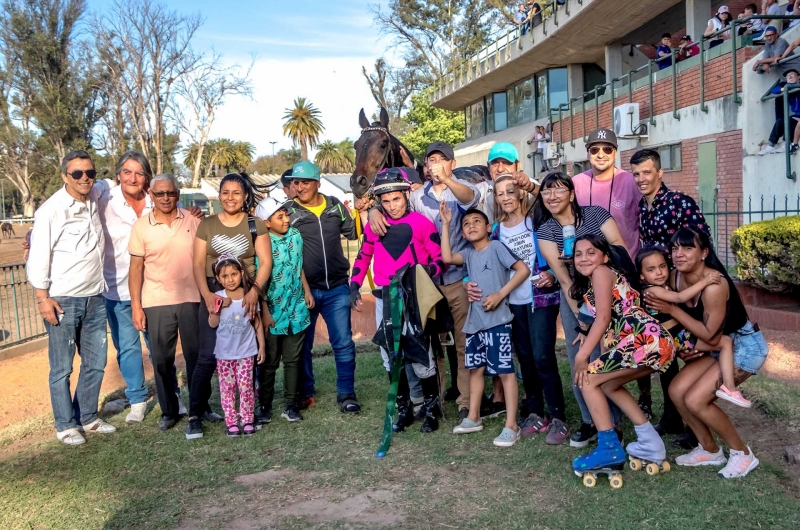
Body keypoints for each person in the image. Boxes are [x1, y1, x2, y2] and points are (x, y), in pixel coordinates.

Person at [645, 227, 769, 478]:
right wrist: (685, 348)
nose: (678, 254)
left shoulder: (714, 285)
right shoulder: (674, 277)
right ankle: (710, 450)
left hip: (742, 346)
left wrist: (673, 310)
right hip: (714, 345)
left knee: (696, 400)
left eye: (687, 248)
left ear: (703, 253)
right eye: (675, 248)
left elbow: (710, 334)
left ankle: (742, 454)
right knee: (677, 391)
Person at [27, 150, 115, 445]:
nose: (84, 178)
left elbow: (117, 183)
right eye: (77, 173)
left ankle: (87, 417)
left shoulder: (96, 194)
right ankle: (65, 424)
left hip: (95, 296)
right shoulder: (50, 211)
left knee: (96, 362)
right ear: (65, 175)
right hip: (63, 298)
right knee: (62, 367)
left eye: (89, 172)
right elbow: (39, 256)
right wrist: (42, 297)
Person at [569, 235, 675, 477]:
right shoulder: (599, 280)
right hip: (648, 342)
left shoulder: (602, 273)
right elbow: (610, 327)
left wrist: (581, 357)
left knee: (586, 378)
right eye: (578, 254)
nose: (584, 258)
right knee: (607, 385)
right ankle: (651, 443)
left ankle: (608, 449)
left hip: (644, 340)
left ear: (605, 257)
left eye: (591, 252)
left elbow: (604, 317)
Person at [350, 169, 446, 433]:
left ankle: (430, 409)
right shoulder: (375, 224)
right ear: (380, 201)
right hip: (385, 297)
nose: (392, 206)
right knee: (390, 354)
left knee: (420, 353)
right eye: (387, 201)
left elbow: (440, 260)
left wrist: (424, 272)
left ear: (406, 195)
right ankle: (404, 408)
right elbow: (363, 256)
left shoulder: (422, 223)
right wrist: (354, 284)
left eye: (397, 199)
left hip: (414, 298)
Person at [534, 172, 625, 447]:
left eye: (559, 190)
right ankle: (589, 421)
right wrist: (583, 324)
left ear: (572, 194)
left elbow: (619, 250)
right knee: (580, 358)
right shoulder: (546, 231)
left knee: (607, 359)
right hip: (574, 296)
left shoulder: (596, 215)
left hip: (609, 290)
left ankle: (613, 423)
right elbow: (563, 279)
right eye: (546, 192)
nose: (552, 196)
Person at [98, 151, 188, 425]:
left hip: (155, 289)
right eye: (127, 172)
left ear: (147, 177)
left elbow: (181, 220)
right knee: (127, 347)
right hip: (118, 289)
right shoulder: (104, 198)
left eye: (139, 173)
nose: (133, 178)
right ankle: (137, 399)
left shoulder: (158, 198)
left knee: (160, 349)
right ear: (118, 175)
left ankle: (172, 396)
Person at [631, 148, 712, 439]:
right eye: (636, 174)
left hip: (686, 291)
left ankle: (695, 423)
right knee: (666, 355)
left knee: (692, 354)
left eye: (647, 172)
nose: (641, 179)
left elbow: (702, 242)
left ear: (660, 172)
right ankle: (672, 417)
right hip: (660, 293)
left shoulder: (679, 203)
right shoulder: (643, 208)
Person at [192, 172, 273, 439]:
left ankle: (250, 412)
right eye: (225, 192)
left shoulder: (255, 224)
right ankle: (196, 413)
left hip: (247, 292)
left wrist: (254, 292)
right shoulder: (208, 224)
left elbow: (265, 261)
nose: (230, 198)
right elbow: (197, 262)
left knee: (248, 351)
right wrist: (207, 296)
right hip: (215, 292)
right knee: (207, 356)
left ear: (245, 195)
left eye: (236, 193)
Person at [441, 205, 530, 447]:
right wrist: (447, 224)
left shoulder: (497, 247)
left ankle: (511, 425)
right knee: (475, 370)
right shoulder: (468, 255)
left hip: (498, 321)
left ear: (489, 228)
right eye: (466, 223)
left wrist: (500, 295)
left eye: (476, 221)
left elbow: (523, 269)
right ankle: (473, 416)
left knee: (505, 371)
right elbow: (447, 258)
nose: (471, 225)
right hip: (475, 324)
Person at [490, 175, 568, 444]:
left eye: (510, 191)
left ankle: (559, 416)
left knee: (543, 356)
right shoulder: (497, 231)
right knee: (524, 358)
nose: (506, 197)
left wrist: (554, 277)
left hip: (541, 298)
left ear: (521, 193)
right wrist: (469, 282)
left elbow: (559, 252)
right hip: (513, 303)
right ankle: (535, 412)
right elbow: (487, 261)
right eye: (500, 194)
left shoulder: (537, 222)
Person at [129, 173, 202, 432]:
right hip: (156, 300)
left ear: (178, 194)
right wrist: (136, 306)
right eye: (159, 193)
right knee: (161, 359)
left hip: (192, 298)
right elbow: (135, 269)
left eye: (170, 193)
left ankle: (199, 408)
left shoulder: (193, 220)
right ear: (151, 195)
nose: (165, 198)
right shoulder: (141, 226)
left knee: (197, 356)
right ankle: (169, 411)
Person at [287, 161, 361, 414]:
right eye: (296, 182)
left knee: (342, 343)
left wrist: (363, 211)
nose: (300, 187)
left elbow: (352, 233)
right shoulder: (287, 212)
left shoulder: (334, 206)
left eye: (305, 182)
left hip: (337, 288)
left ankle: (346, 394)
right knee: (303, 346)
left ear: (317, 183)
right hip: (302, 292)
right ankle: (306, 393)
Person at [636, 246, 750, 408]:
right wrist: (705, 281)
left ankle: (726, 386)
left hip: (677, 335)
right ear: (641, 275)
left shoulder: (661, 286)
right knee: (725, 342)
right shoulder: (652, 290)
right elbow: (680, 297)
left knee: (723, 343)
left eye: (662, 266)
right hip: (676, 337)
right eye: (651, 269)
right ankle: (729, 387)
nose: (659, 272)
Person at [254, 196, 313, 424]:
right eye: (279, 216)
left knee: (293, 360)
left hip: (296, 308)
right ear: (267, 223)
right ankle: (265, 406)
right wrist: (265, 311)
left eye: (286, 215)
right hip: (273, 310)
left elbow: (299, 267)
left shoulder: (296, 237)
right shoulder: (262, 241)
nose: (286, 219)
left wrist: (306, 291)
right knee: (269, 362)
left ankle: (290, 404)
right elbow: (260, 280)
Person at [208, 255, 265, 437]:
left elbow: (256, 323)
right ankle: (231, 422)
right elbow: (212, 323)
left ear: (241, 273)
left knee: (246, 386)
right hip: (224, 354)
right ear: (218, 279)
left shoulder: (249, 296)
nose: (230, 279)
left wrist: (261, 346)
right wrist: (218, 307)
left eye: (234, 274)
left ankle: (247, 419)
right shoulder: (218, 297)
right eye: (225, 276)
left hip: (246, 352)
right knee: (227, 388)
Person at [574, 129, 641, 259]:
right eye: (594, 150)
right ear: (588, 154)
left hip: (627, 265)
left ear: (615, 153)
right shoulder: (576, 183)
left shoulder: (631, 181)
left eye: (607, 149)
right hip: (587, 267)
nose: (600, 155)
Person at [759, 69, 800, 155]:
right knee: (780, 121)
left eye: (792, 74)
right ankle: (771, 145)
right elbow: (774, 90)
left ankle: (788, 144)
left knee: (789, 121)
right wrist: (783, 89)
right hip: (797, 115)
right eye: (788, 75)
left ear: (798, 77)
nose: (790, 76)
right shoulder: (786, 86)